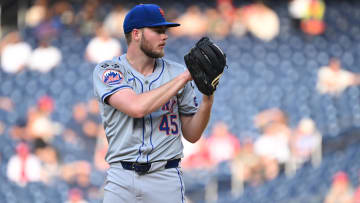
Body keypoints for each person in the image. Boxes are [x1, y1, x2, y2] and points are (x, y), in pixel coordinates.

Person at [92, 4, 215, 203]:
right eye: (157, 31)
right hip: (122, 178)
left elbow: (192, 135)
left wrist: (208, 98)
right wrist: (185, 77)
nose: (164, 36)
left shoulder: (176, 72)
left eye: (164, 31)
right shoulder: (109, 70)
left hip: (165, 177)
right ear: (136, 34)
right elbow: (136, 107)